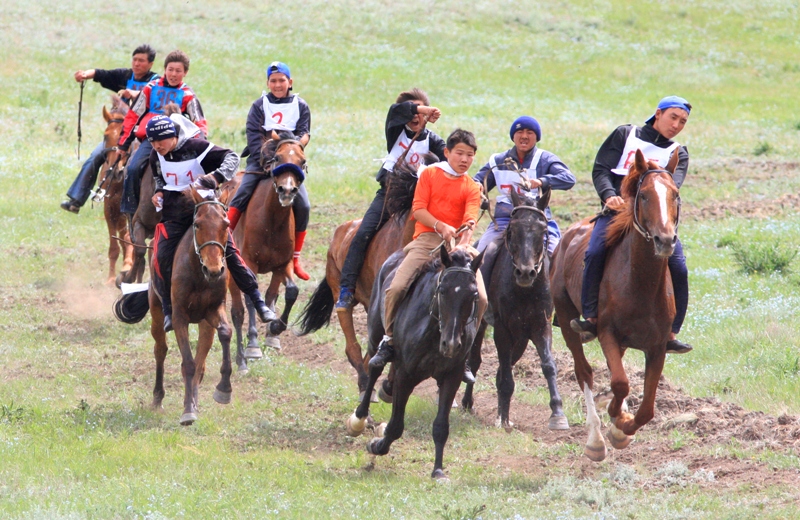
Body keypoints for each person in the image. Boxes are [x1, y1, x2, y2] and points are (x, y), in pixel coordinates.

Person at [570, 96, 693, 354]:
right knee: (594, 252)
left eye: (683, 121)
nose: (677, 125)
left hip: (653, 219)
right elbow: (601, 169)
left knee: (679, 266)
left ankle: (672, 331)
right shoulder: (625, 135)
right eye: (673, 117)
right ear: (658, 114)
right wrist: (608, 195)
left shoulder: (678, 153)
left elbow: (672, 187)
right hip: (616, 213)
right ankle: (591, 318)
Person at [369, 129, 487, 377]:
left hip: (458, 246)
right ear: (447, 153)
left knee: (483, 299)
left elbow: (471, 218)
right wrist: (441, 226)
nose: (465, 160)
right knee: (397, 287)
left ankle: (464, 351)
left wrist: (463, 238)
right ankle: (390, 340)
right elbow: (419, 210)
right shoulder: (430, 175)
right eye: (460, 154)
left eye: (470, 155)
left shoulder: (472, 186)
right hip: (427, 240)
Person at [144, 115, 275, 332]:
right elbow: (160, 176)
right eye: (152, 141)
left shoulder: (197, 147)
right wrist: (159, 191)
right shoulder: (155, 155)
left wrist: (216, 177)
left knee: (231, 253)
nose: (157, 146)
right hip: (174, 213)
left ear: (174, 136)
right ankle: (168, 310)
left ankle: (258, 301)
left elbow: (232, 158)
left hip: (205, 209)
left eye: (161, 141)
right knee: (160, 258)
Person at [335, 88, 446, 309]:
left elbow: (450, 159)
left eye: (421, 113)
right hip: (390, 196)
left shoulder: (434, 141)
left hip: (421, 201)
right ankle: (347, 288)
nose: (416, 117)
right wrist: (424, 109)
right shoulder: (395, 130)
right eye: (414, 111)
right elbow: (397, 110)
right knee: (363, 233)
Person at [226, 61, 313, 280]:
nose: (277, 85)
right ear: (268, 83)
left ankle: (295, 258)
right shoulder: (259, 105)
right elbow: (254, 136)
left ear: (290, 82)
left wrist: (291, 152)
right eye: (273, 81)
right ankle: (222, 242)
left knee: (304, 204)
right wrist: (266, 161)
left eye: (281, 80)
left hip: (290, 161)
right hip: (261, 160)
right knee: (242, 193)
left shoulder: (301, 105)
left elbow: (304, 134)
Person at [61, 44, 159, 214]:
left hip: (142, 134)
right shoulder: (126, 75)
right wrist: (85, 74)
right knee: (95, 156)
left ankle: (154, 207)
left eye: (141, 61)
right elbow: (101, 74)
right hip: (121, 132)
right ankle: (77, 199)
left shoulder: (156, 81)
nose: (136, 64)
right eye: (135, 59)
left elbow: (154, 93)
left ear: (150, 64)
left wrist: (134, 93)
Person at [473, 116, 576, 262]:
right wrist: (477, 185)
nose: (524, 136)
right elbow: (477, 181)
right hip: (504, 220)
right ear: (513, 136)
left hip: (538, 222)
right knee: (481, 255)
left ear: (537, 138)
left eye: (530, 132)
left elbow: (569, 178)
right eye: (520, 131)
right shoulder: (497, 161)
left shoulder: (545, 159)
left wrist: (542, 181)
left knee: (556, 258)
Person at [118, 49, 208, 217]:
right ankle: (130, 209)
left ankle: (198, 212)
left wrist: (200, 144)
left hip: (177, 142)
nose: (173, 74)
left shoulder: (188, 95)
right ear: (165, 69)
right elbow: (133, 116)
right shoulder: (150, 88)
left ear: (185, 73)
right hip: (150, 140)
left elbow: (199, 122)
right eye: (170, 70)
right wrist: (123, 144)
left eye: (178, 71)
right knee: (132, 167)